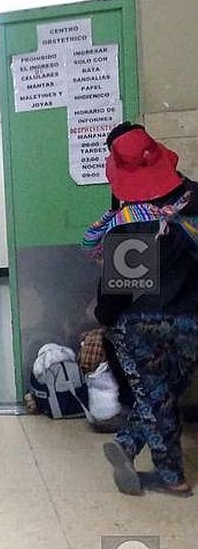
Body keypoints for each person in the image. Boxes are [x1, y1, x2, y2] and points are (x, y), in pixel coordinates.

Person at [83, 123, 198, 497]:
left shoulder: (130, 222)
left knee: (154, 392)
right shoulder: (195, 200)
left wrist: (99, 318)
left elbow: (115, 300)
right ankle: (130, 442)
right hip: (193, 321)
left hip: (142, 324)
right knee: (164, 390)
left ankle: (171, 477)